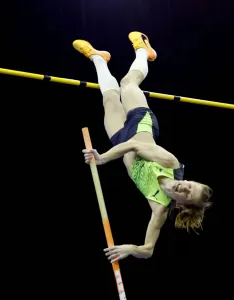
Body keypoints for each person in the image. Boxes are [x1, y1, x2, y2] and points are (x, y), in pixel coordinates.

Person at [74, 32, 213, 263]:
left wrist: (130, 248)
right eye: (190, 184)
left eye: (187, 192)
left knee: (109, 98)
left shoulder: (159, 208)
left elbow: (148, 249)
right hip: (141, 125)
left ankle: (98, 58)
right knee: (127, 84)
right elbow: (135, 146)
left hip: (120, 142)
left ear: (182, 204)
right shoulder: (171, 164)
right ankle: (143, 52)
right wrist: (102, 159)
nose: (184, 185)